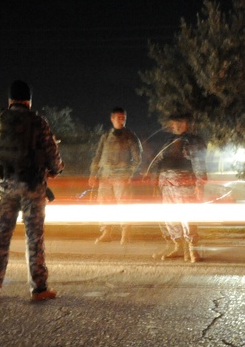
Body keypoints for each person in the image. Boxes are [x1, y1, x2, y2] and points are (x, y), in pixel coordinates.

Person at [0, 80, 63, 302]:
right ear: (28, 101)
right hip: (33, 188)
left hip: (5, 186)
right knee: (34, 239)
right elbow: (54, 159)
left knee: (1, 236)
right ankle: (38, 289)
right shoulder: (39, 122)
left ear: (10, 100)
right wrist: (55, 169)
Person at [147, 112, 207, 262]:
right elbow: (157, 160)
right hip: (166, 184)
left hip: (184, 183)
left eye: (181, 121)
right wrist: (154, 180)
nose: (178, 125)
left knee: (187, 216)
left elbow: (199, 163)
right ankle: (178, 247)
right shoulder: (168, 141)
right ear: (171, 124)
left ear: (187, 123)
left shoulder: (192, 141)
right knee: (170, 216)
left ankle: (193, 249)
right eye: (175, 122)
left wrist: (200, 185)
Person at [89, 107, 143, 244]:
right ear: (112, 118)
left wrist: (128, 173)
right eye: (119, 117)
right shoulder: (106, 136)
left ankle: (125, 233)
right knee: (105, 205)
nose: (122, 120)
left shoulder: (130, 136)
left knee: (123, 205)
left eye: (124, 117)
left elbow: (137, 159)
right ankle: (107, 232)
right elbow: (97, 155)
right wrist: (93, 173)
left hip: (121, 177)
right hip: (105, 176)